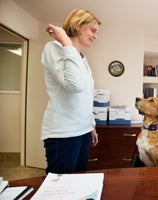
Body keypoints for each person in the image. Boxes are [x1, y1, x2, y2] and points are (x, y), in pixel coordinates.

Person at [41, 8, 100, 174]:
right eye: (93, 30)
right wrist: (66, 42)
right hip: (63, 132)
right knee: (61, 186)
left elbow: (85, 95)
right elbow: (74, 85)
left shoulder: (81, 58)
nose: (96, 36)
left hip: (83, 130)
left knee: (77, 181)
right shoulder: (54, 48)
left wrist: (91, 125)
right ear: (77, 25)